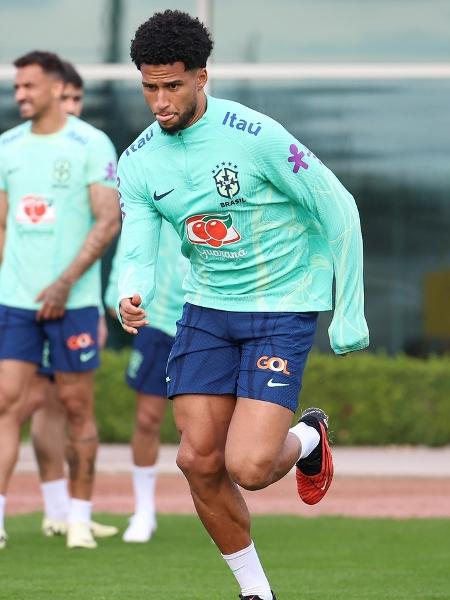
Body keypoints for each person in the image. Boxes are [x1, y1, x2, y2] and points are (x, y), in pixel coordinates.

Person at [117, 10, 369, 600]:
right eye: (149, 86)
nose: (160, 100)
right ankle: (256, 591)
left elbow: (340, 208)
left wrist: (348, 310)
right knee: (197, 460)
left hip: (282, 307)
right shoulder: (139, 160)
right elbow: (138, 242)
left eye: (172, 85)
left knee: (250, 469)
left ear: (203, 77)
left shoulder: (258, 138)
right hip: (206, 309)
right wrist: (131, 289)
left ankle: (308, 437)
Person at [0, 50, 120, 550]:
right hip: (17, 303)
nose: (20, 94)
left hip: (74, 301)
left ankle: (78, 518)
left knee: (75, 406)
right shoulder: (6, 145)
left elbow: (108, 220)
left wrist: (65, 283)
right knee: (6, 402)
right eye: (17, 87)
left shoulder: (92, 143)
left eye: (28, 86)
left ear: (54, 87)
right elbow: (2, 224)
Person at [105, 220, 187, 542]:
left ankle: (221, 507)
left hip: (207, 317)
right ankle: (143, 510)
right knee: (147, 418)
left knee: (207, 424)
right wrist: (118, 295)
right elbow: (133, 247)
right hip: (156, 319)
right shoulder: (152, 189)